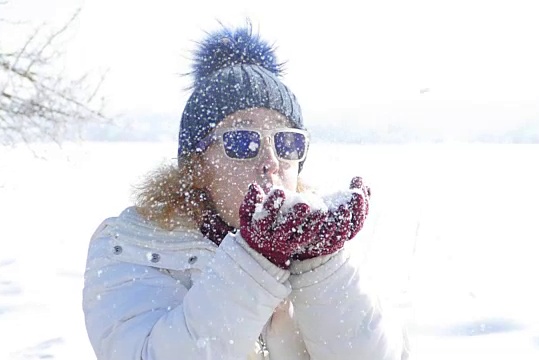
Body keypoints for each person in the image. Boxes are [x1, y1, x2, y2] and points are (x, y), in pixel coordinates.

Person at [82, 24, 410, 360]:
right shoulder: (129, 244)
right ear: (197, 167)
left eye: (287, 142)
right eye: (242, 141)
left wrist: (322, 266)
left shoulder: (315, 234)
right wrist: (254, 262)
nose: (271, 161)